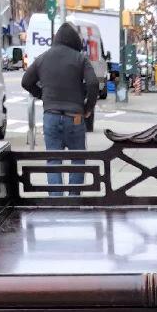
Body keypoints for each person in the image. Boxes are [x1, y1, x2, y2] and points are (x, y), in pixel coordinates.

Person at [21, 21, 98, 188]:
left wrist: (42, 95)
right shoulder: (80, 59)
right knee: (78, 160)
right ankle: (73, 201)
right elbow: (93, 83)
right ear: (75, 42)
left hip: (51, 116)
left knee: (53, 160)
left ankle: (56, 203)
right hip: (75, 117)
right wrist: (87, 108)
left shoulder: (42, 58)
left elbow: (26, 81)